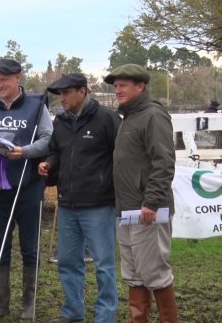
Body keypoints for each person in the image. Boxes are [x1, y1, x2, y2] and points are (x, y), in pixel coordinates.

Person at [0, 58, 52, 321]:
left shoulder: (37, 105)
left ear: (18, 77)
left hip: (28, 186)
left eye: (4, 79)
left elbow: (48, 138)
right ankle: (0, 304)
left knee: (29, 246)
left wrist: (26, 152)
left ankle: (29, 303)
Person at [38, 73, 120, 323]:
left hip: (99, 205)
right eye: (59, 94)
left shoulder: (107, 118)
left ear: (82, 91)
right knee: (68, 262)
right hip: (67, 204)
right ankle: (73, 312)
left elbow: (122, 156)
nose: (61, 98)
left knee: (104, 265)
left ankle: (105, 317)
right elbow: (56, 153)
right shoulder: (60, 121)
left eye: (65, 93)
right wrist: (48, 165)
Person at [104, 64, 178, 322]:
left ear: (140, 86)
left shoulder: (153, 115)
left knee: (155, 273)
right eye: (115, 86)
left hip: (148, 212)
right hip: (128, 210)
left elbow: (164, 162)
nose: (117, 90)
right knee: (134, 274)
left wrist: (152, 203)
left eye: (123, 85)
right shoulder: (129, 117)